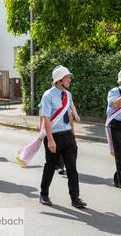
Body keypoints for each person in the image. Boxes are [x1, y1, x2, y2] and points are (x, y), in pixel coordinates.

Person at [39, 65, 86, 208]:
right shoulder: (48, 95)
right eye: (67, 77)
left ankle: (75, 198)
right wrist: (51, 140)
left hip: (68, 136)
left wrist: (73, 132)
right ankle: (44, 194)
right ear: (59, 80)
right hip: (54, 136)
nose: (70, 80)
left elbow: (70, 111)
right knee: (50, 166)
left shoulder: (67, 94)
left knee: (72, 168)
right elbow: (46, 118)